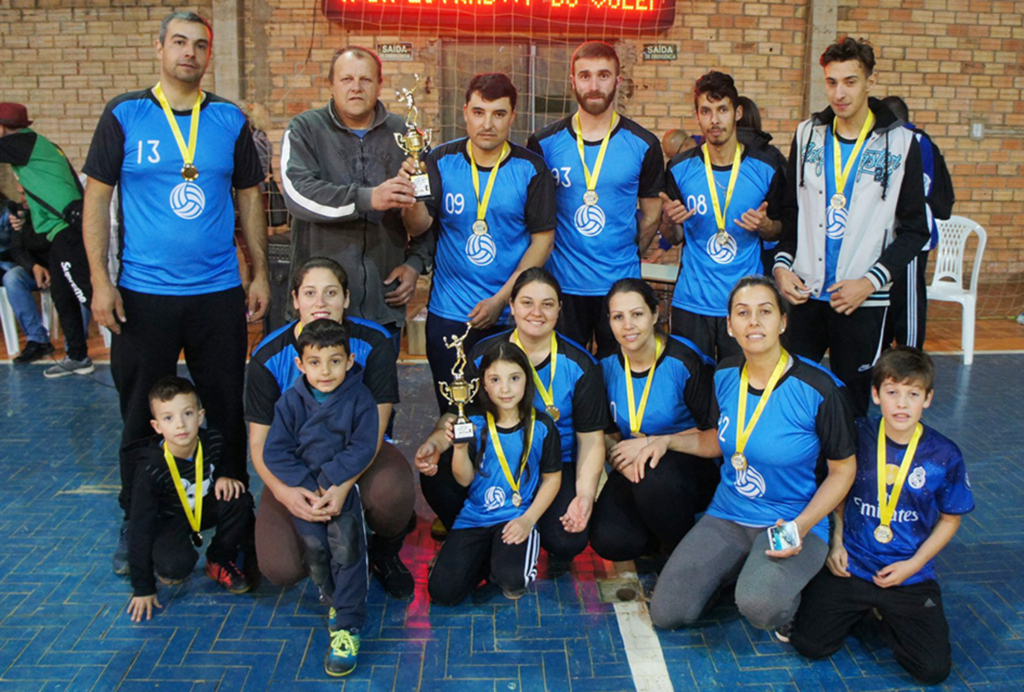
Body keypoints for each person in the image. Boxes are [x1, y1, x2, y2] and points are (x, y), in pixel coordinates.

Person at [82, 10, 270, 574]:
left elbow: (251, 198)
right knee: (140, 410)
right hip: (143, 294)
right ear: (159, 47)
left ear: (209, 54)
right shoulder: (125, 114)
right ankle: (135, 514)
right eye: (180, 42)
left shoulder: (228, 120)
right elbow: (96, 200)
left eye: (200, 45)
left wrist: (257, 270)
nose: (190, 52)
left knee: (226, 409)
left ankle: (234, 526)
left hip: (216, 294)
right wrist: (99, 280)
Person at [641, 276, 857, 634]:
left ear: (783, 322)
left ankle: (790, 593)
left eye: (765, 311)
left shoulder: (819, 388)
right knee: (667, 613)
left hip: (792, 518)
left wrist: (799, 528)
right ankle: (740, 572)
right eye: (743, 313)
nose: (753, 321)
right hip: (729, 513)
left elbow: (843, 471)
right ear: (729, 324)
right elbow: (718, 441)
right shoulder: (725, 373)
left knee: (760, 607)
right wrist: (666, 442)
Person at [788, 347, 973, 685]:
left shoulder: (945, 454)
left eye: (913, 394)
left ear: (927, 399)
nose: (902, 404)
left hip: (907, 574)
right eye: (892, 392)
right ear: (876, 395)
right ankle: (864, 610)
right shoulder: (857, 435)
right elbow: (839, 492)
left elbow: (950, 518)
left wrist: (914, 565)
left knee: (933, 671)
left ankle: (886, 615)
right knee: (810, 644)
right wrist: (836, 542)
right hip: (852, 565)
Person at [773, 38, 928, 417]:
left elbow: (915, 231)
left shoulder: (903, 143)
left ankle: (850, 475)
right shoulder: (807, 134)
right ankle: (800, 475)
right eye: (832, 82)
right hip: (806, 295)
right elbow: (791, 213)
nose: (839, 93)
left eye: (850, 81)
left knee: (852, 405)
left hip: (862, 299)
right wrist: (781, 266)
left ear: (869, 81)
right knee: (794, 397)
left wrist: (871, 281)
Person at [246, 257, 416, 599]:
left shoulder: (375, 342)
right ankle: (321, 558)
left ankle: (384, 550)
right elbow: (259, 443)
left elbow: (375, 429)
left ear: (347, 298)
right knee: (279, 568)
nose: (320, 303)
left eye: (331, 293)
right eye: (310, 293)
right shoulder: (267, 358)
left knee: (391, 493)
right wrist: (285, 493)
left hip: (358, 456)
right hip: (297, 466)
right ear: (294, 300)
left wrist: (342, 484)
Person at [415, 267, 610, 559]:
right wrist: (435, 441)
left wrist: (584, 495)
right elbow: (460, 413)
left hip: (552, 465)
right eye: (527, 302)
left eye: (547, 304)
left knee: (566, 541)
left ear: (559, 308)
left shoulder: (580, 365)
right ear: (512, 306)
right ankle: (479, 538)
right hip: (492, 457)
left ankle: (521, 529)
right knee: (437, 470)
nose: (537, 312)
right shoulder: (485, 353)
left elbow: (592, 440)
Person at [403, 73, 556, 413]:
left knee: (508, 413)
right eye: (479, 112)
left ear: (512, 117)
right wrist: (410, 195)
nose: (487, 123)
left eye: (499, 114)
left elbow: (542, 242)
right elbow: (420, 226)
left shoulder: (531, 169)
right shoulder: (439, 161)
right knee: (454, 413)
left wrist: (502, 300)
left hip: (508, 317)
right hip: (449, 313)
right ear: (465, 112)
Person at [280, 45, 434, 346]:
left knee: (380, 394)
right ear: (331, 84)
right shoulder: (305, 129)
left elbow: (431, 212)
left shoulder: (405, 135)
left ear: (380, 85)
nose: (355, 87)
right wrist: (368, 198)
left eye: (365, 80)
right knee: (320, 390)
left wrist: (416, 264)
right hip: (320, 307)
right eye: (346, 79)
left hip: (383, 303)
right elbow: (298, 194)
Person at [528, 41, 664, 357]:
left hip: (620, 288)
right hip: (561, 286)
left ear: (618, 81)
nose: (593, 85)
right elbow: (534, 218)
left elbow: (652, 217)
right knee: (566, 377)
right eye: (585, 76)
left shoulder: (644, 144)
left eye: (603, 75)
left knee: (617, 377)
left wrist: (624, 254)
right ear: (572, 81)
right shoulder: (544, 143)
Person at [263, 319, 376, 677]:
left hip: (339, 490)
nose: (325, 371)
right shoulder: (289, 403)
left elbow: (363, 447)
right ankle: (332, 597)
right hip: (305, 494)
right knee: (315, 549)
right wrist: (305, 487)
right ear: (300, 364)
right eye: (315, 362)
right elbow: (275, 453)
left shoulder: (360, 398)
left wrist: (331, 482)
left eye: (334, 361)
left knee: (347, 547)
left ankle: (348, 624)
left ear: (350, 360)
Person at [662, 72, 793, 361]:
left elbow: (781, 230)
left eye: (722, 110)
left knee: (742, 389)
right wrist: (670, 222)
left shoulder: (766, 167)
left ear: (737, 112)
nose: (715, 120)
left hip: (747, 305)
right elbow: (673, 238)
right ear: (697, 115)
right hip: (692, 303)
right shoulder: (679, 168)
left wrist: (766, 225)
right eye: (706, 111)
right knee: (691, 392)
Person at [586, 278, 719, 561]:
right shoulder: (605, 365)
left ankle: (680, 557)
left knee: (655, 479)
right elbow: (608, 432)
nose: (628, 326)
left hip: (689, 464)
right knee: (610, 541)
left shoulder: (685, 361)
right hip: (634, 465)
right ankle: (662, 534)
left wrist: (657, 443)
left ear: (655, 315)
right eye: (618, 317)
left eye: (637, 314)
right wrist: (616, 456)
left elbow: (716, 437)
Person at [421, 340, 562, 605]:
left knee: (511, 580)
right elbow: (464, 479)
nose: (505, 388)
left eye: (514, 378)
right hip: (475, 516)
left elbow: (552, 479)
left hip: (516, 515)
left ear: (526, 381)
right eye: (495, 379)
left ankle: (501, 561)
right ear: (482, 384)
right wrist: (460, 449)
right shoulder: (474, 421)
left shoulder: (542, 426)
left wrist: (528, 520)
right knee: (442, 593)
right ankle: (478, 560)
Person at [125, 377, 255, 623]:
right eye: (168, 418)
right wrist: (142, 587)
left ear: (200, 415)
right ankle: (166, 559)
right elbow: (139, 527)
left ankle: (219, 558)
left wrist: (226, 476)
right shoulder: (150, 469)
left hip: (202, 509)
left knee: (239, 498)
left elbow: (224, 459)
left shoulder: (213, 441)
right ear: (156, 426)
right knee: (175, 568)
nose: (180, 425)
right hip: (169, 520)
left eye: (187, 413)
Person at [0, 102, 93, 377]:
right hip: (58, 231)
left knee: (87, 294)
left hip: (67, 230)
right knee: (64, 297)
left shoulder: (22, 141)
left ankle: (136, 349)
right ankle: (78, 356)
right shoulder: (34, 146)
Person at [880, 96, 955, 349]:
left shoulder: (914, 141)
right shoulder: (895, 140)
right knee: (887, 296)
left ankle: (910, 355)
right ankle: (884, 354)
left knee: (908, 298)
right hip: (887, 235)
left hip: (911, 236)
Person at [0, 199, 54, 363]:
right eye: (20, 193)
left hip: (59, 263)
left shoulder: (11, 211)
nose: (22, 197)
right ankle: (38, 340)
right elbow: (17, 248)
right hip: (29, 267)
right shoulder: (18, 211)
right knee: (13, 278)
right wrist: (33, 267)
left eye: (25, 192)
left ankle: (76, 348)